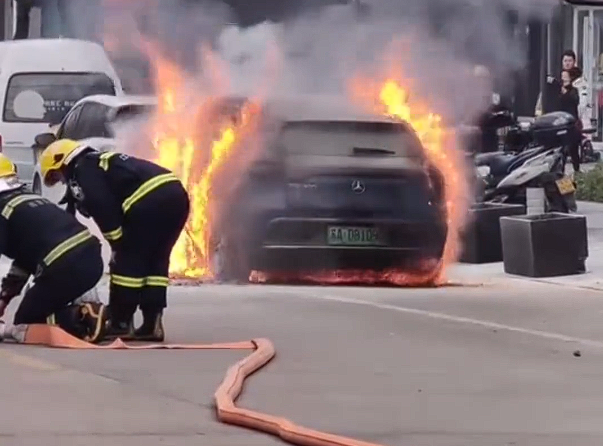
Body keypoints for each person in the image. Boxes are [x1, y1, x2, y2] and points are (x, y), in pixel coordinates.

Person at [38, 139, 190, 342]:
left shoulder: (84, 169)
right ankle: (152, 324)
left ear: (63, 161)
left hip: (148, 201)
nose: (63, 182)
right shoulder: (101, 162)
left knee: (126, 264)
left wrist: (116, 242)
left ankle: (120, 324)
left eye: (58, 176)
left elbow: (102, 206)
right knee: (156, 260)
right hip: (176, 196)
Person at [0, 153, 107, 343]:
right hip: (91, 260)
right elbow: (24, 258)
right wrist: (5, 298)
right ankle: (90, 312)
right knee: (39, 308)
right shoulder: (28, 199)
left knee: (25, 323)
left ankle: (80, 318)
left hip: (63, 267)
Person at [557, 69, 581, 173]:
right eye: (562, 76)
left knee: (573, 148)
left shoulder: (573, 90)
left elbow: (575, 101)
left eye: (566, 76)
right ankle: (560, 171)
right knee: (561, 150)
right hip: (560, 122)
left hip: (571, 122)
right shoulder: (557, 91)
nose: (564, 78)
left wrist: (566, 93)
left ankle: (577, 170)